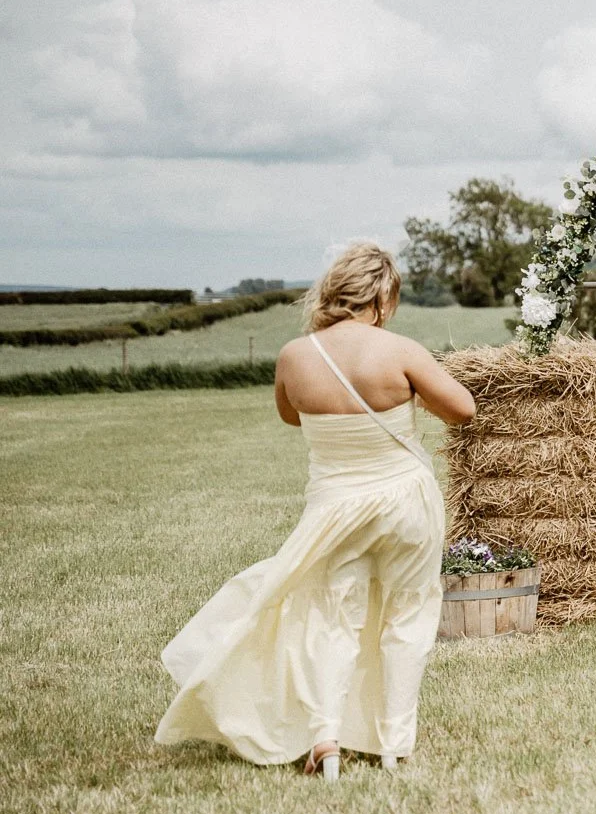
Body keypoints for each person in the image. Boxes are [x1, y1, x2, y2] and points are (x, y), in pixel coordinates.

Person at [155, 241, 476, 781]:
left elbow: (291, 414)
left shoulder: (294, 355)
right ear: (381, 296)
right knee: (407, 615)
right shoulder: (400, 351)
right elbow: (463, 410)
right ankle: (394, 746)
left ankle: (325, 739)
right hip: (405, 502)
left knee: (330, 620)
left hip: (335, 506)